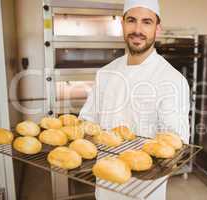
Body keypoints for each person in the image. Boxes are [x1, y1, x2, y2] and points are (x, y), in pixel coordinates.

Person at [79, 0, 190, 199]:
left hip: (146, 191)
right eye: (131, 20)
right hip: (105, 185)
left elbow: (175, 145)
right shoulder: (105, 73)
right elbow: (87, 122)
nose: (137, 29)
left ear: (157, 28)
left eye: (146, 22)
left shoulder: (173, 80)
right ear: (122, 24)